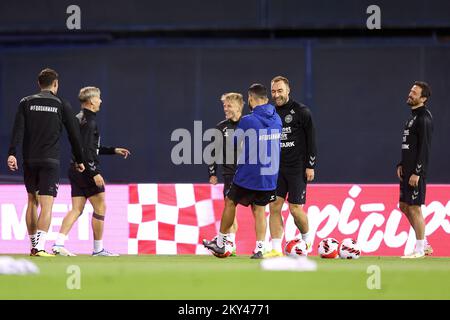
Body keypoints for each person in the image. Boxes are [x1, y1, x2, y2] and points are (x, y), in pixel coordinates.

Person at [7, 68, 85, 257]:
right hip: (50, 160)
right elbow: (74, 135)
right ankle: (40, 247)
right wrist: (79, 159)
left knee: (32, 201)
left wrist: (12, 153)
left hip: (29, 159)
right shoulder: (61, 104)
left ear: (38, 84)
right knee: (47, 204)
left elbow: (17, 129)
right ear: (55, 84)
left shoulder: (26, 102)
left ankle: (33, 247)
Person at [204, 84, 282, 259]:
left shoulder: (248, 120)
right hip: (269, 176)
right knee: (260, 210)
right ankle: (261, 248)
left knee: (230, 202)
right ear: (267, 99)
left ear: (251, 99)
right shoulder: (277, 119)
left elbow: (236, 144)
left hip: (248, 174)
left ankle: (222, 242)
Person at [52, 86, 130, 257]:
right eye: (99, 98)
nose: (101, 101)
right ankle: (98, 249)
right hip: (87, 170)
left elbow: (88, 148)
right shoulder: (90, 122)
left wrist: (113, 150)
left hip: (75, 168)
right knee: (101, 205)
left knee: (77, 209)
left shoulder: (78, 118)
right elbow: (88, 151)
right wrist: (93, 172)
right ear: (92, 101)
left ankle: (58, 243)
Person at [264, 76, 317, 258]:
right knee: (274, 207)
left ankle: (307, 238)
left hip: (297, 167)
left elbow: (312, 140)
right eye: (273, 91)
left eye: (280, 91)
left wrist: (310, 166)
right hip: (276, 169)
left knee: (295, 209)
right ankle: (276, 249)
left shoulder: (302, 111)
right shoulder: (269, 113)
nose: (276, 94)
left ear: (288, 90)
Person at [204, 93, 244, 255]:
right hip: (229, 175)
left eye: (229, 106)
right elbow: (212, 152)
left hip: (248, 175)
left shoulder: (249, 125)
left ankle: (262, 246)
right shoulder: (221, 127)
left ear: (239, 107)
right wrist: (212, 173)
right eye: (224, 106)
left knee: (257, 209)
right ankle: (230, 244)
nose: (225, 109)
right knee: (230, 207)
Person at [398, 81, 433, 259]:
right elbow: (409, 146)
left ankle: (420, 249)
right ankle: (424, 243)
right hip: (408, 170)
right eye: (411, 90)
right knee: (404, 206)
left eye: (415, 92)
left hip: (416, 173)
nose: (410, 94)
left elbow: (424, 148)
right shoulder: (411, 117)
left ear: (423, 98)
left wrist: (417, 172)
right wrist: (400, 164)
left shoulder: (423, 118)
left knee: (415, 208)